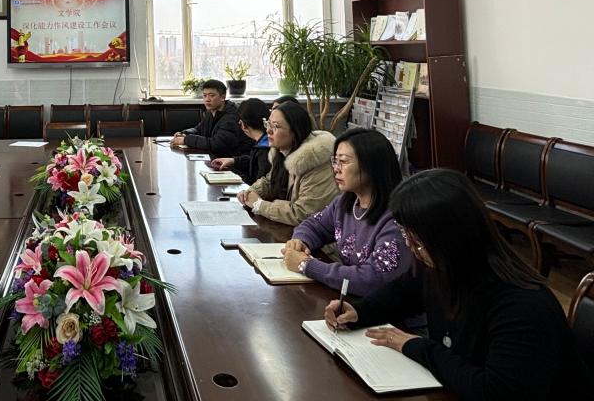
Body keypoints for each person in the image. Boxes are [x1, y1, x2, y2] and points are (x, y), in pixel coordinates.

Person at [324, 169, 590, 400]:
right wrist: (360, 311)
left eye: (416, 240)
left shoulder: (522, 306)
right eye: (406, 234)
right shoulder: (443, 268)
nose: (410, 246)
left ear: (450, 237)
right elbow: (404, 292)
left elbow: (495, 391)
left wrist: (416, 346)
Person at [282, 127, 409, 294]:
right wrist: (300, 241)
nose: (336, 168)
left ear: (371, 166)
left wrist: (306, 265)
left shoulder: (396, 219)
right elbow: (314, 225)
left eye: (343, 161)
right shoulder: (345, 202)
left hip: (386, 308)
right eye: (335, 161)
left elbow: (373, 279)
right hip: (349, 300)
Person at [236, 102, 337, 225]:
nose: (268, 130)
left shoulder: (317, 163)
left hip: (319, 235)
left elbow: (303, 214)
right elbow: (269, 181)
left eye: (276, 126)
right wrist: (250, 193)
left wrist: (260, 205)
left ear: (295, 132)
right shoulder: (282, 152)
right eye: (268, 124)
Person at [170, 79, 245, 157]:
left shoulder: (231, 116)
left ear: (223, 97)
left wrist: (186, 140)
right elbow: (199, 129)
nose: (207, 99)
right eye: (205, 95)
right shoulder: (211, 111)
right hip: (216, 157)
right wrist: (185, 133)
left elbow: (217, 144)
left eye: (212, 95)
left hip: (232, 160)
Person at [208, 98, 271, 183]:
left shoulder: (265, 149)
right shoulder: (267, 141)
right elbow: (254, 161)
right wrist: (234, 161)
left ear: (243, 125)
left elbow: (261, 184)